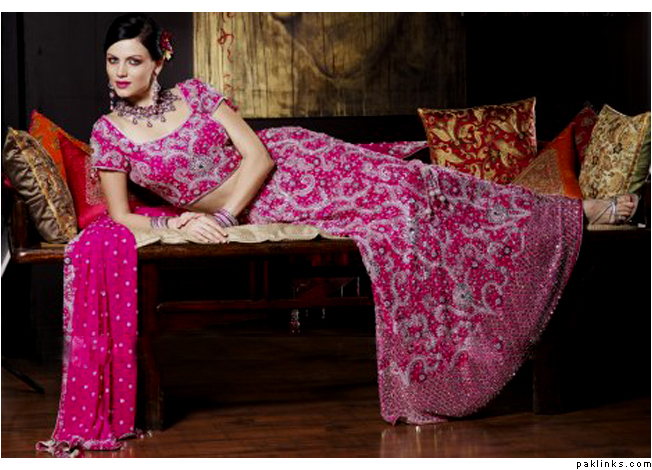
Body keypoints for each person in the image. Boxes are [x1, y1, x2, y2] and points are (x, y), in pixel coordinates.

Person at [38, 13, 639, 457]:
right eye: (113, 61)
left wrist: (222, 217)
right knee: (406, 207)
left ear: (159, 61)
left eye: (133, 61)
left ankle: (573, 213)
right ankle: (575, 213)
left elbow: (258, 157)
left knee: (420, 186)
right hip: (265, 203)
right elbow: (122, 217)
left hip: (295, 167)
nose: (121, 72)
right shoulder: (109, 132)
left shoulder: (196, 95)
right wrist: (174, 221)